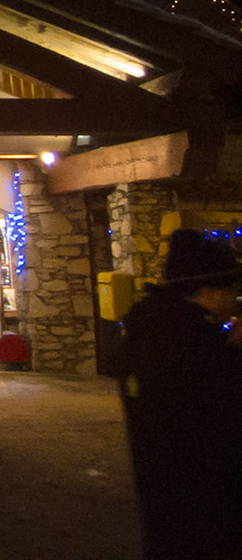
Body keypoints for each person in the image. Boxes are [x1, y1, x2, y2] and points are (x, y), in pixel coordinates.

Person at [113, 226, 242, 558]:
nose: (233, 299)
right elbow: (220, 412)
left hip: (163, 493)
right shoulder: (194, 341)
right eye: (229, 288)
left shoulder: (151, 329)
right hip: (205, 497)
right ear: (206, 290)